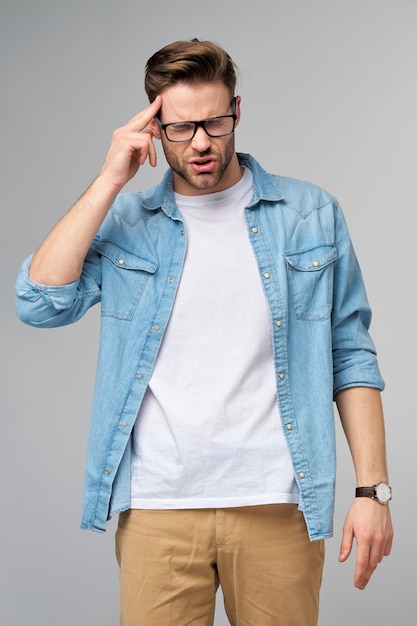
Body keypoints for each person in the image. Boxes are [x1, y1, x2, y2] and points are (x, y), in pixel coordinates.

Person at [15, 39, 393, 626]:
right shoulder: (126, 225)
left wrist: (373, 493)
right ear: (154, 127)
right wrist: (110, 179)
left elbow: (351, 356)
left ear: (237, 111)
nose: (200, 142)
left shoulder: (309, 214)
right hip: (159, 508)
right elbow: (39, 303)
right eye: (181, 127)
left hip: (277, 505)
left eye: (214, 123)